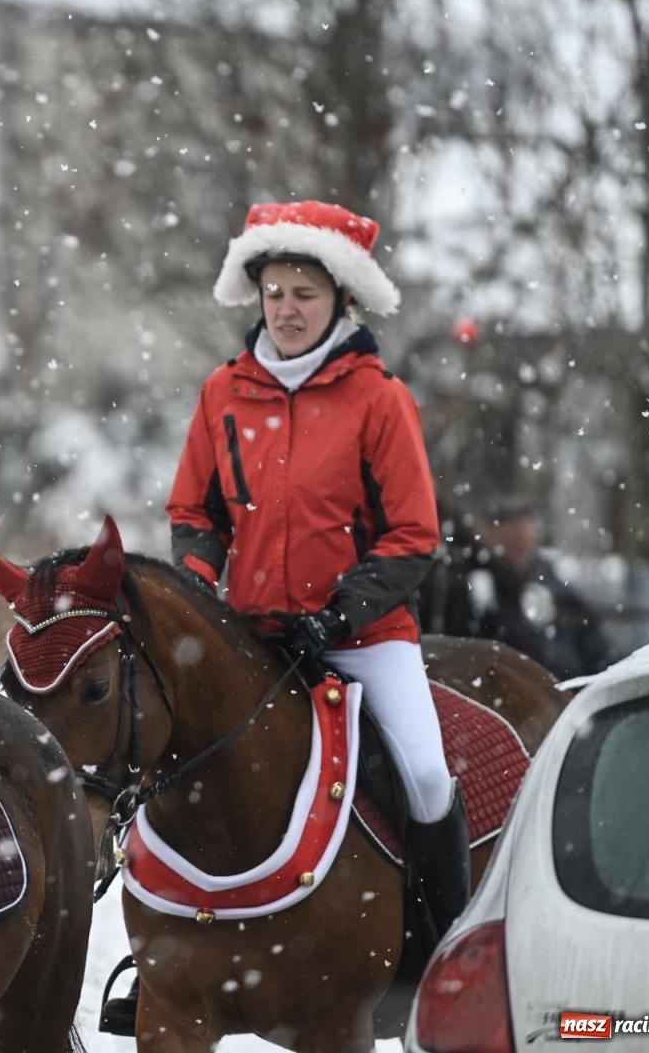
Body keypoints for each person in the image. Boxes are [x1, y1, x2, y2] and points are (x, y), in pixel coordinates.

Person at [98, 201, 464, 1035]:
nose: (287, 307)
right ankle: (154, 962)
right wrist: (196, 590)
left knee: (428, 776)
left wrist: (337, 617)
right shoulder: (223, 392)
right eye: (274, 292)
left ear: (342, 300)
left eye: (304, 291)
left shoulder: (380, 398)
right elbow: (194, 512)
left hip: (365, 640)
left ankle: (442, 952)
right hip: (250, 635)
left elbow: (413, 537)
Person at [470, 497, 612, 680]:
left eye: (526, 537)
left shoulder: (552, 584)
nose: (521, 545)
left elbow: (595, 646)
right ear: (491, 538)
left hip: (566, 688)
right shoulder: (478, 589)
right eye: (511, 539)